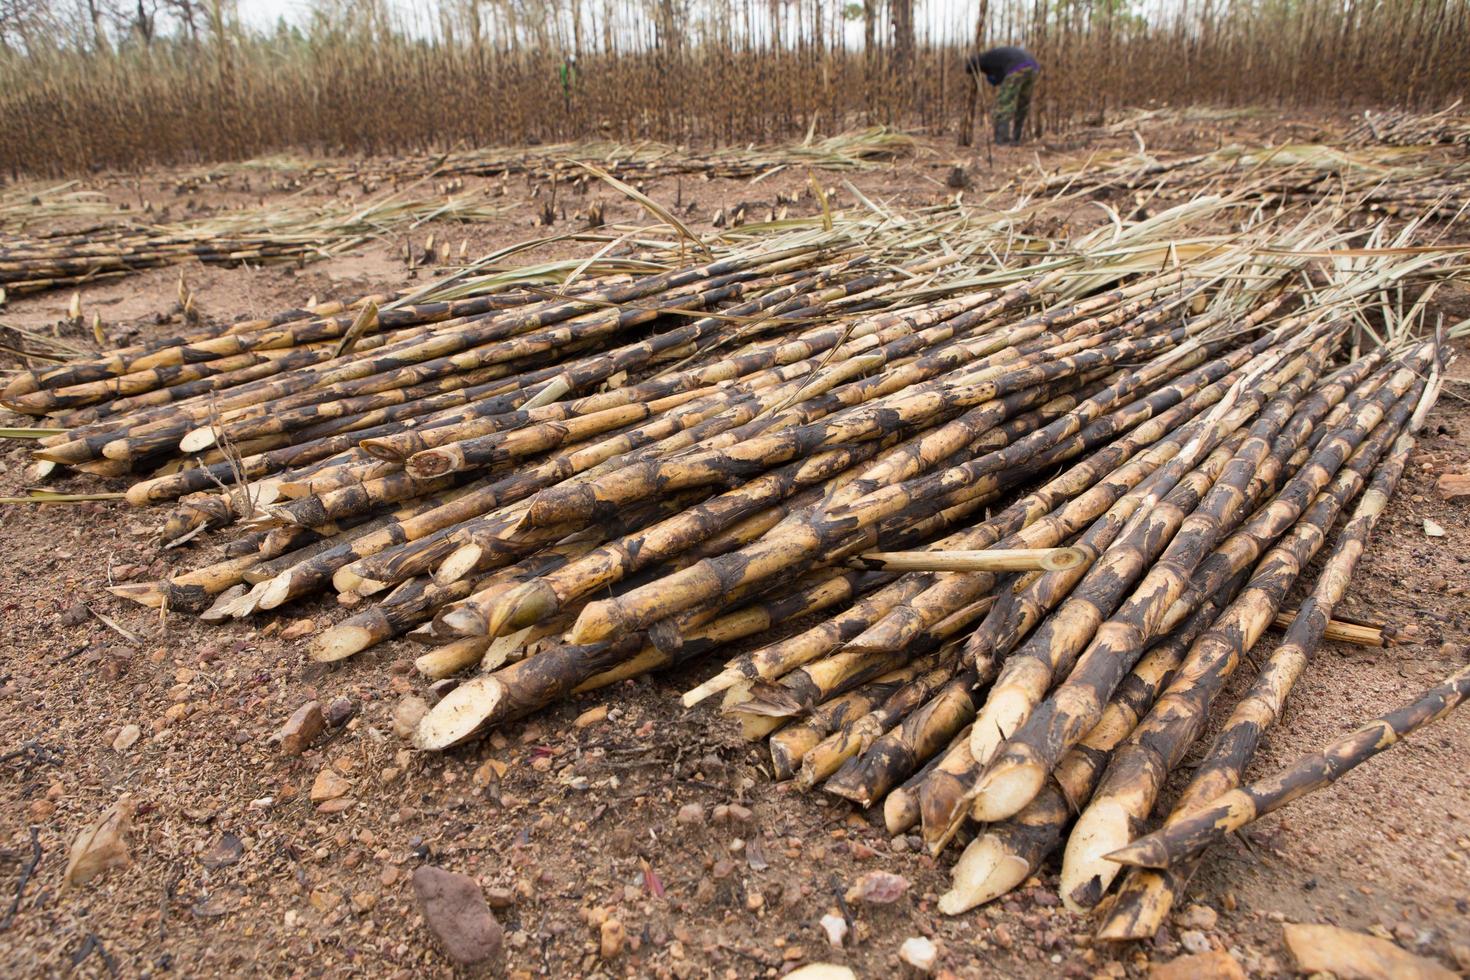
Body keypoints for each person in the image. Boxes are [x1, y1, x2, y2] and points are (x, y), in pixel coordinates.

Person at [965, 46, 1039, 146]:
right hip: (1033, 67)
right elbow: (1000, 78)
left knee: (1004, 104)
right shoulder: (999, 61)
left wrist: (968, 68)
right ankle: (1016, 139)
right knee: (1022, 105)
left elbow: (971, 64)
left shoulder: (984, 58)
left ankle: (1002, 140)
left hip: (1017, 67)